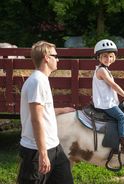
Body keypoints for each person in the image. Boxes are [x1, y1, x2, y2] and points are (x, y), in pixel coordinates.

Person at [17, 41, 75, 184]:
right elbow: (36, 119)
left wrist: (62, 110)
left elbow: (42, 111)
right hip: (36, 151)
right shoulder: (37, 82)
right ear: (46, 57)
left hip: (54, 147)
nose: (58, 59)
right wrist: (43, 154)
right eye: (55, 56)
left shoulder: (42, 80)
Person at [92, 39, 124, 155]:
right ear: (99, 57)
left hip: (109, 102)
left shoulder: (106, 70)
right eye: (104, 56)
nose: (108, 59)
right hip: (105, 103)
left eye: (111, 56)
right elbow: (113, 85)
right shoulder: (102, 71)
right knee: (122, 117)